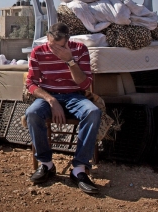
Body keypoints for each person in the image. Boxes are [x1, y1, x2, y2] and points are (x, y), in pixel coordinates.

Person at [25, 22, 101, 194]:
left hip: (75, 96)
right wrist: (52, 100)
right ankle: (46, 164)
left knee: (93, 112)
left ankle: (79, 169)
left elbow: (86, 83)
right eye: (53, 45)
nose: (57, 50)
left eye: (62, 46)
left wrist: (70, 61)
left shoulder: (80, 49)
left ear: (68, 39)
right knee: (32, 113)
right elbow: (30, 83)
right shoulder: (39, 52)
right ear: (48, 38)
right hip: (49, 95)